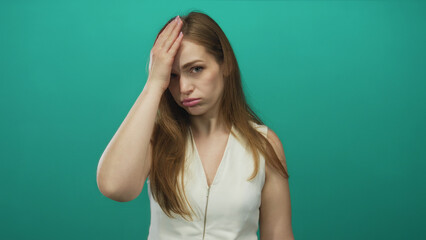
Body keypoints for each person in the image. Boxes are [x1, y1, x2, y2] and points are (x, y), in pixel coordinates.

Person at [96, 11, 294, 240]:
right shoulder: (155, 138)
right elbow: (114, 187)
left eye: (196, 69)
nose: (184, 87)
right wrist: (154, 83)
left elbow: (279, 234)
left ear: (225, 64)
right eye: (173, 76)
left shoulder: (264, 144)